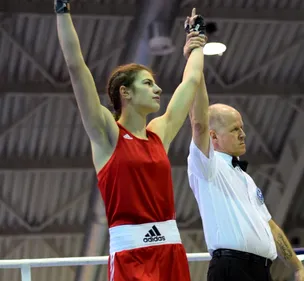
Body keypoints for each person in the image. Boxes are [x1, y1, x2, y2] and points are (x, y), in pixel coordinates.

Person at [55, 1, 206, 281]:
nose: (158, 89)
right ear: (125, 92)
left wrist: (195, 43)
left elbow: (192, 80)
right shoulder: (105, 135)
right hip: (130, 257)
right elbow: (76, 68)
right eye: (148, 83)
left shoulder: (160, 133)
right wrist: (62, 10)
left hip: (171, 251)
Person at [184, 54, 304, 281]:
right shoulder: (206, 167)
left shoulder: (245, 178)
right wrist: (196, 58)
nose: (243, 134)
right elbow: (199, 122)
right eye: (235, 130)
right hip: (231, 269)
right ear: (213, 136)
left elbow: (270, 225)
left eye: (242, 128)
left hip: (261, 271)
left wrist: (297, 268)